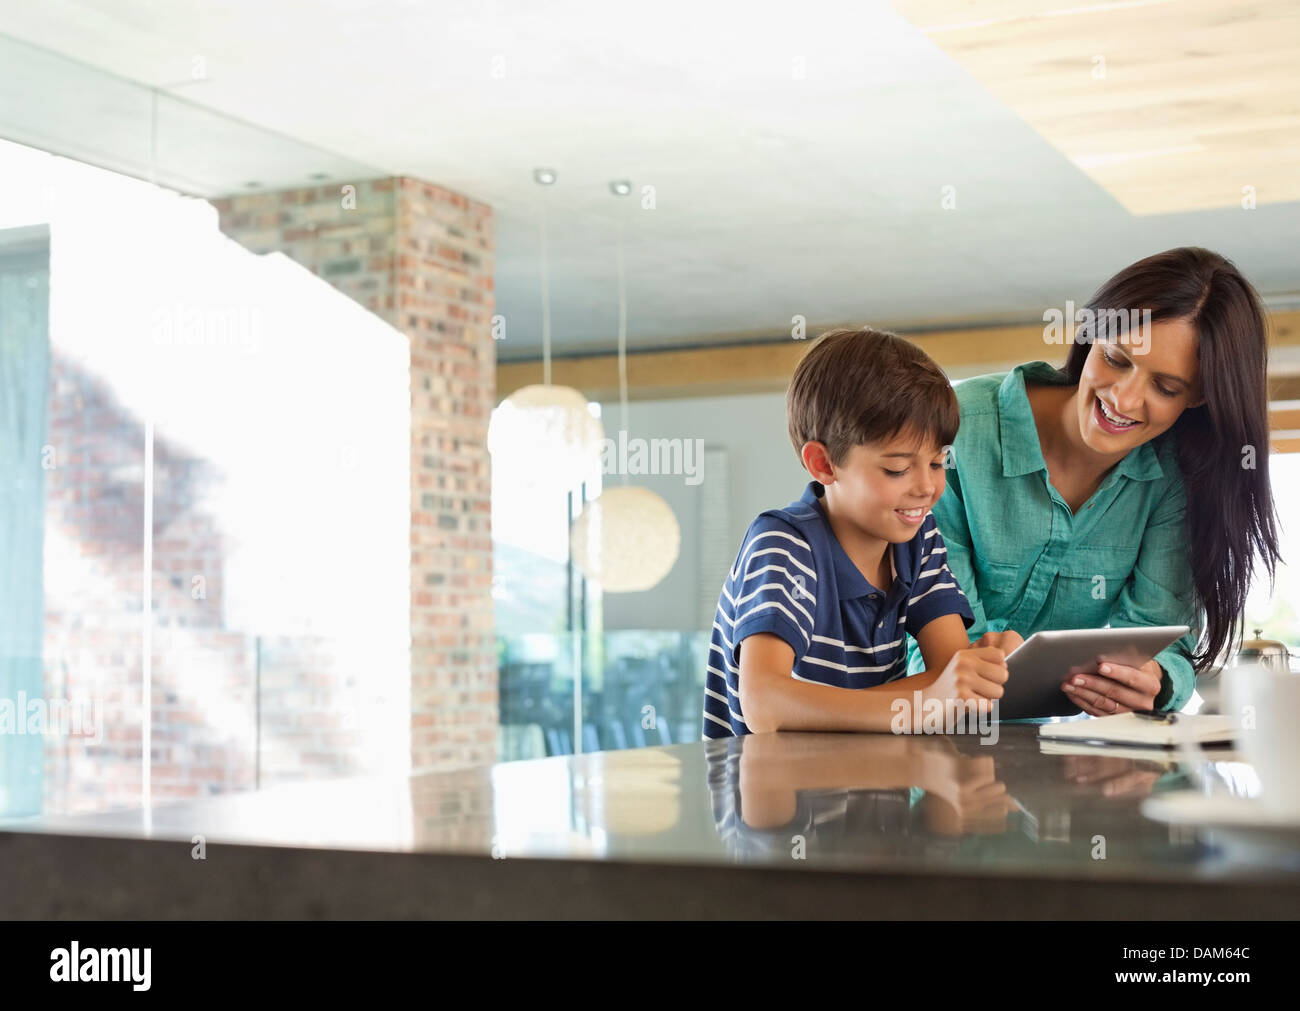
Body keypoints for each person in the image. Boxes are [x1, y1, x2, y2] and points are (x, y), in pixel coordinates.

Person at [905, 247, 1282, 715]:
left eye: (1165, 388)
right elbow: (926, 643)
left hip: (1056, 756)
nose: (1124, 398)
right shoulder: (957, 432)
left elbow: (1162, 639)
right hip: (915, 727)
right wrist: (973, 659)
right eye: (1116, 359)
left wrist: (1153, 681)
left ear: (1201, 397)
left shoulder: (1175, 480)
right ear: (1092, 336)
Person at [702, 328, 1009, 738]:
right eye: (897, 469)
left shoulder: (918, 539)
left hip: (871, 786)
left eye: (937, 463)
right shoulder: (784, 544)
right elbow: (764, 706)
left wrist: (985, 672)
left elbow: (951, 681)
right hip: (773, 793)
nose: (927, 487)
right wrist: (925, 701)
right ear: (824, 465)